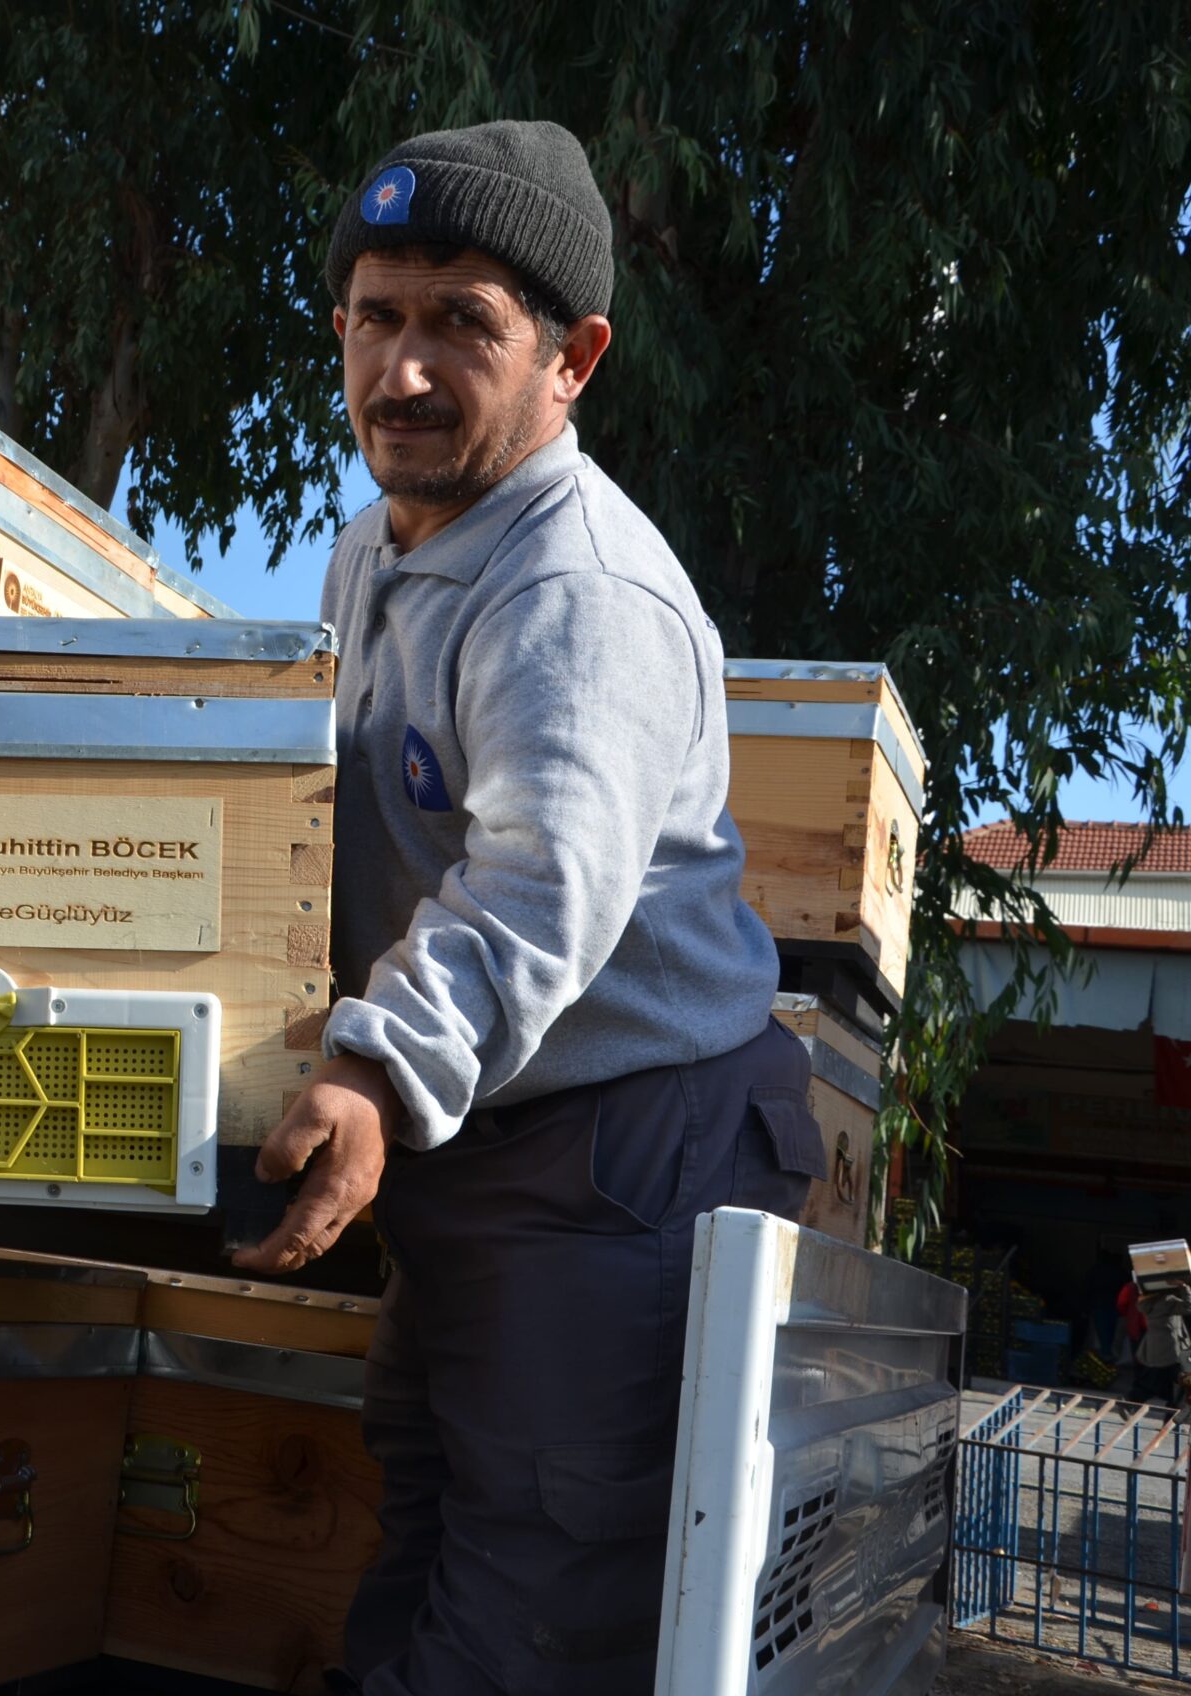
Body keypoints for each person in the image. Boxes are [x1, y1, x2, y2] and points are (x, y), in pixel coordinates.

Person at [228, 121, 825, 1695]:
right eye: (377, 316)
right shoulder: (377, 545)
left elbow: (535, 888)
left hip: (625, 1150)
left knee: (537, 1602)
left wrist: (374, 1069)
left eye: (462, 326)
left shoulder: (577, 590)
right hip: (493, 1136)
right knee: (425, 1508)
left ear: (575, 361)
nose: (404, 370)